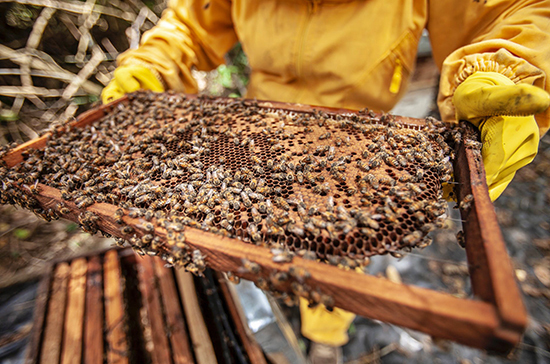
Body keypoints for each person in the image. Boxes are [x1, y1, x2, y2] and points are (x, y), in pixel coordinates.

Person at [102, 1, 550, 362]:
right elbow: (190, 22)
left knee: (335, 256)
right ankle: (276, 298)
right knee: (250, 236)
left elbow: (514, 9)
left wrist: (507, 66)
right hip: (256, 136)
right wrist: (154, 64)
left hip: (356, 146)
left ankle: (325, 337)